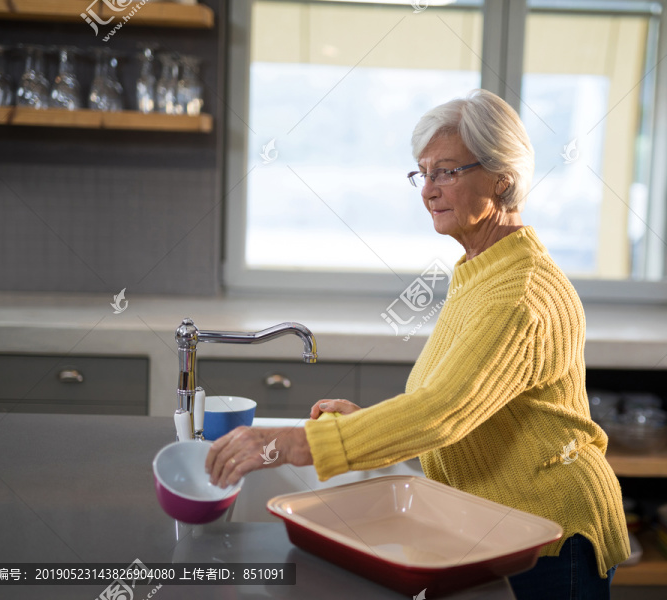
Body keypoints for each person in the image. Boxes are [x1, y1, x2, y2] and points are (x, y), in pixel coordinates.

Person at [205, 89, 630, 599]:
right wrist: (367, 424)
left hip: (549, 534)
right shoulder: (481, 269)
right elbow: (468, 405)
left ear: (503, 179)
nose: (427, 189)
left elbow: (441, 412)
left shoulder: (519, 294)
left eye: (446, 171)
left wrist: (293, 445)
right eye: (422, 173)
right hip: (497, 522)